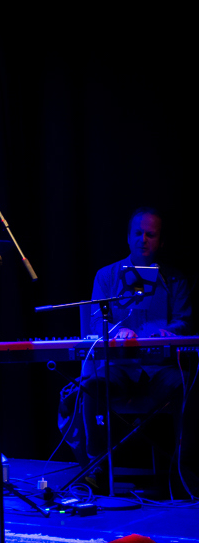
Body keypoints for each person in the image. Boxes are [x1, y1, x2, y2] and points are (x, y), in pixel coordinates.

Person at [80, 207, 194, 492]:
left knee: (187, 385)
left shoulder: (175, 279)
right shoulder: (106, 277)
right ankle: (96, 466)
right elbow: (95, 320)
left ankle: (184, 470)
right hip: (120, 368)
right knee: (92, 386)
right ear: (128, 238)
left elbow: (184, 320)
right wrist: (117, 331)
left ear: (160, 241)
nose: (143, 239)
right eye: (138, 233)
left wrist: (168, 332)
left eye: (150, 234)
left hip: (159, 370)